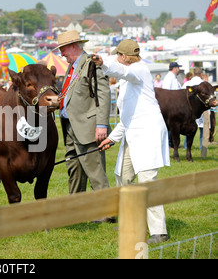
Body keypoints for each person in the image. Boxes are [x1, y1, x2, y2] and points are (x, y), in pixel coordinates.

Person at [93, 39, 170, 244]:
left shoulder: (139, 70)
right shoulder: (128, 80)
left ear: (124, 57)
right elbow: (128, 115)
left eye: (118, 55)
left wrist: (103, 63)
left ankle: (159, 231)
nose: (117, 58)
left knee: (146, 182)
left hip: (148, 133)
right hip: (132, 133)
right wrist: (112, 138)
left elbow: (122, 71)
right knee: (122, 176)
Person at [54, 30, 112, 221]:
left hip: (87, 127)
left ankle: (107, 211)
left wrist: (102, 124)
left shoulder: (91, 65)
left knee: (95, 170)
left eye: (63, 49)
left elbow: (103, 95)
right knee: (75, 169)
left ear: (72, 46)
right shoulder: (73, 67)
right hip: (70, 126)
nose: (61, 53)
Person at [183, 67, 211, 150]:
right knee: (203, 128)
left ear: (194, 73)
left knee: (187, 127)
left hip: (189, 109)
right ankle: (202, 147)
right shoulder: (204, 84)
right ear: (201, 74)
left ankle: (185, 146)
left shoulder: (187, 83)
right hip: (201, 109)